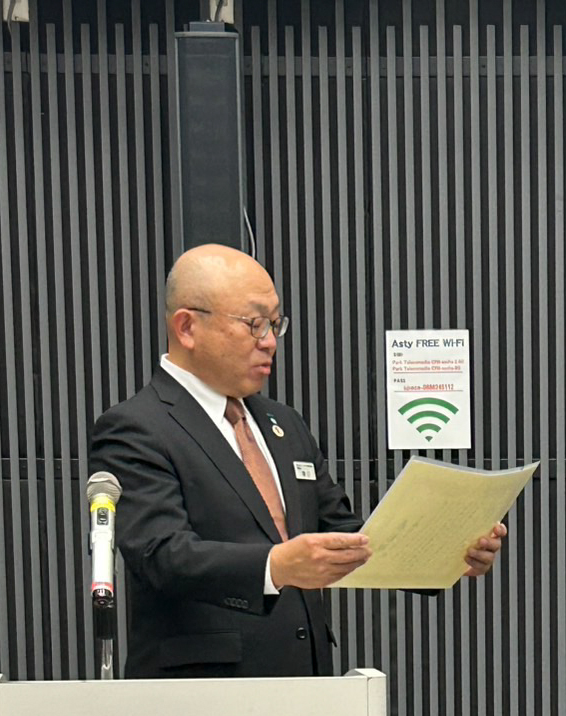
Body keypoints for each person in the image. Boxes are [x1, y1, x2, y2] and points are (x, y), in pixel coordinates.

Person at [90, 244, 506, 678]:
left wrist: (445, 554)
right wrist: (275, 566)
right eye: (254, 324)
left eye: (274, 324)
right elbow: (161, 555)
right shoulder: (136, 427)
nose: (270, 341)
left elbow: (347, 536)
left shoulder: (283, 423)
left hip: (307, 685)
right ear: (187, 327)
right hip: (202, 691)